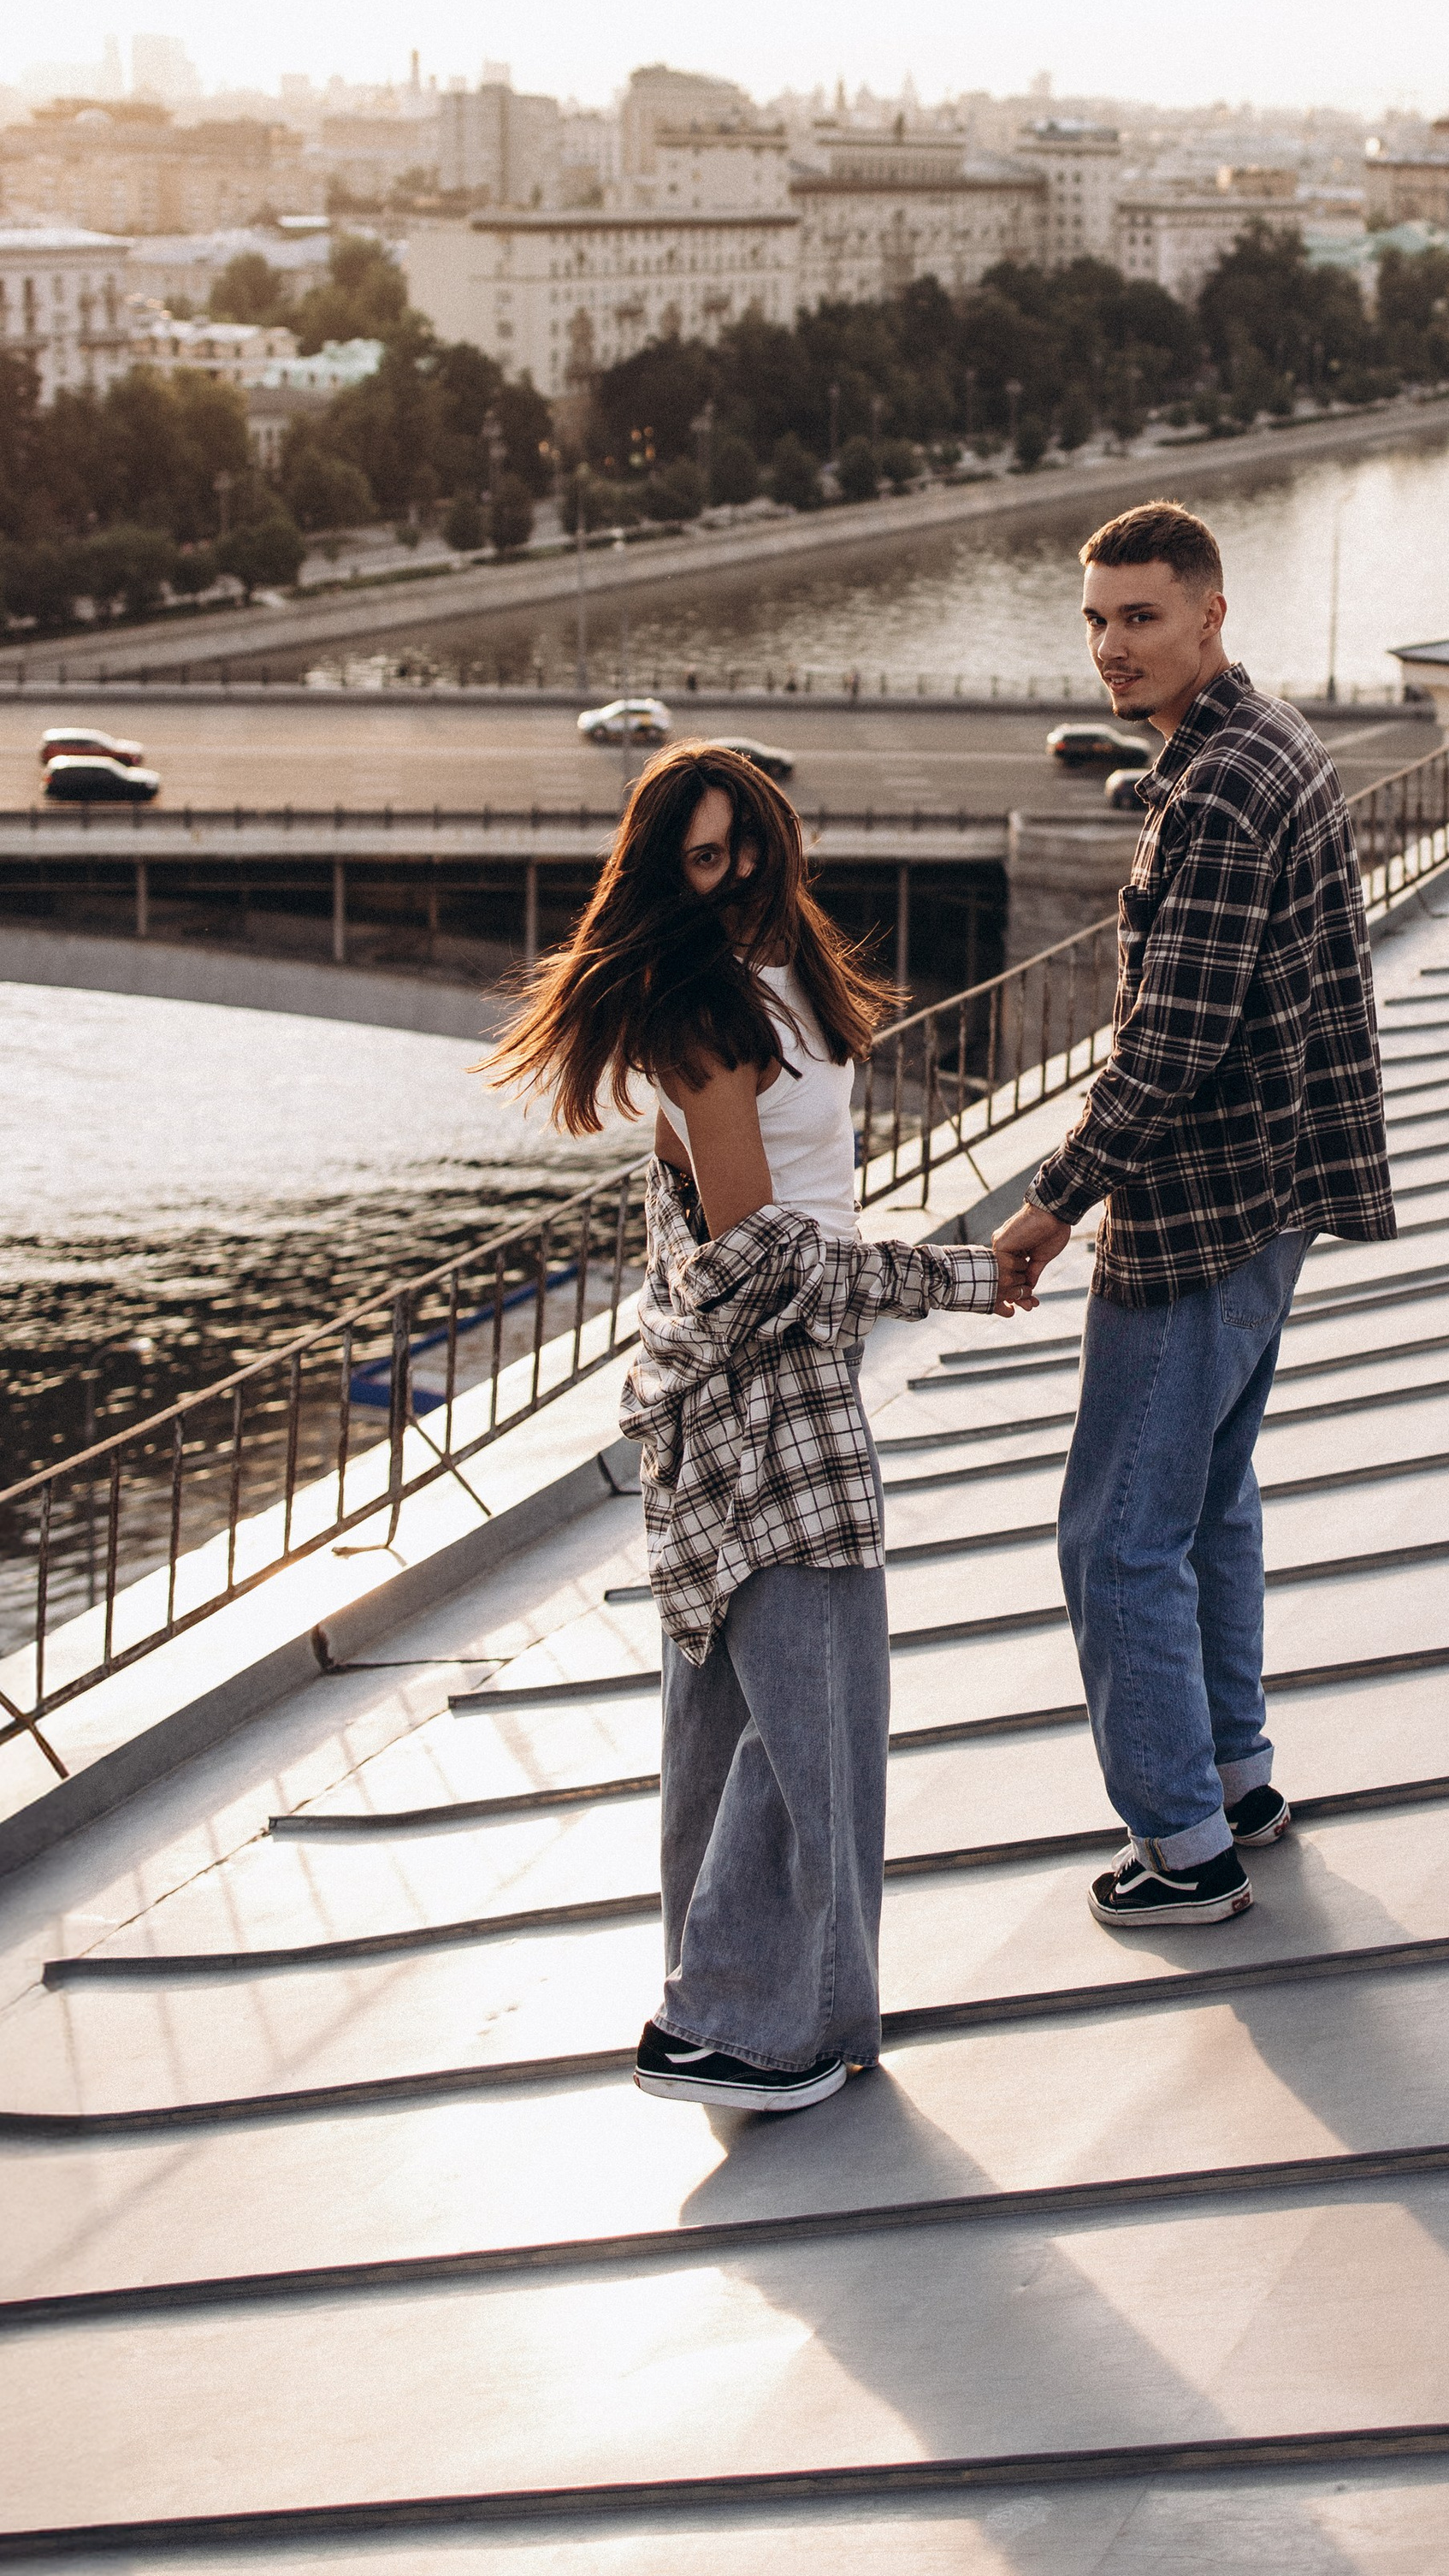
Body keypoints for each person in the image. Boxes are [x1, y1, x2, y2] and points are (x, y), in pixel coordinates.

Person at [486, 743, 1035, 2113]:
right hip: (767, 1389)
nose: (728, 880)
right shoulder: (702, 1016)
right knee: (812, 1715)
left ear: (777, 840)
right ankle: (726, 2022)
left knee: (738, 1713)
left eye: (742, 847)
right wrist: (953, 1273)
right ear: (667, 878)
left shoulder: (783, 982)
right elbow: (755, 1259)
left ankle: (770, 2013)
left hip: (780, 1377)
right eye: (698, 860)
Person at [993, 502, 1395, 1928]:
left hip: (1196, 1215)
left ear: (1210, 614)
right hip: (1273, 1199)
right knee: (1210, 1506)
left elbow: (1171, 1047)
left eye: (1141, 616)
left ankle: (1182, 1847)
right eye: (1096, 619)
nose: (1111, 647)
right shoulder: (1271, 739)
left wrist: (1048, 1208)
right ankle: (1235, 1780)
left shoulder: (1218, 789)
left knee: (1111, 1539)